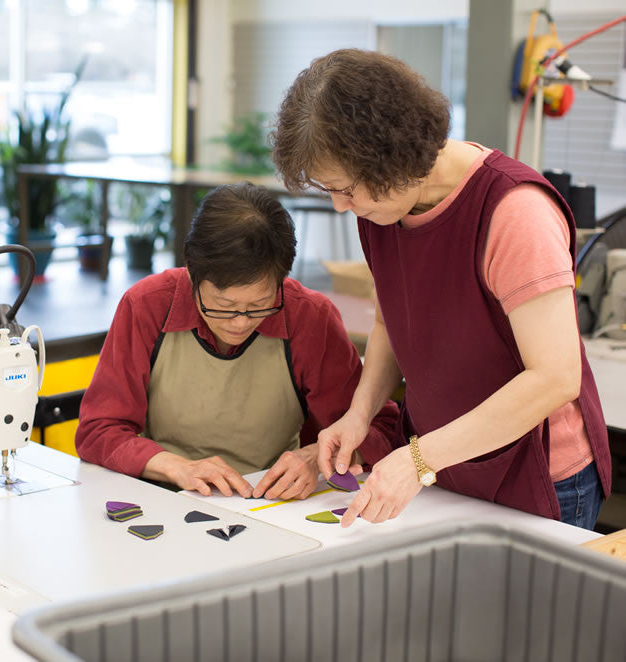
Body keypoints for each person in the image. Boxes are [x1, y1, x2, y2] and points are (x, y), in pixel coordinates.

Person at [271, 49, 611, 530]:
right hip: (446, 461)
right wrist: (359, 415)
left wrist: (418, 459)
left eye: (345, 189)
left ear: (392, 159)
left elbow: (555, 379)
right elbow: (391, 320)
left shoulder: (515, 212)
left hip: (537, 472)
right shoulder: (382, 208)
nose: (341, 207)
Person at [75, 182, 398, 499]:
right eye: (223, 306)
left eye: (259, 305)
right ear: (192, 273)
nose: (240, 323)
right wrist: (176, 467)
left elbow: (381, 429)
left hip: (269, 501)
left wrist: (317, 456)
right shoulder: (147, 305)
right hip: (163, 495)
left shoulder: (309, 317)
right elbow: (99, 430)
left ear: (282, 279)